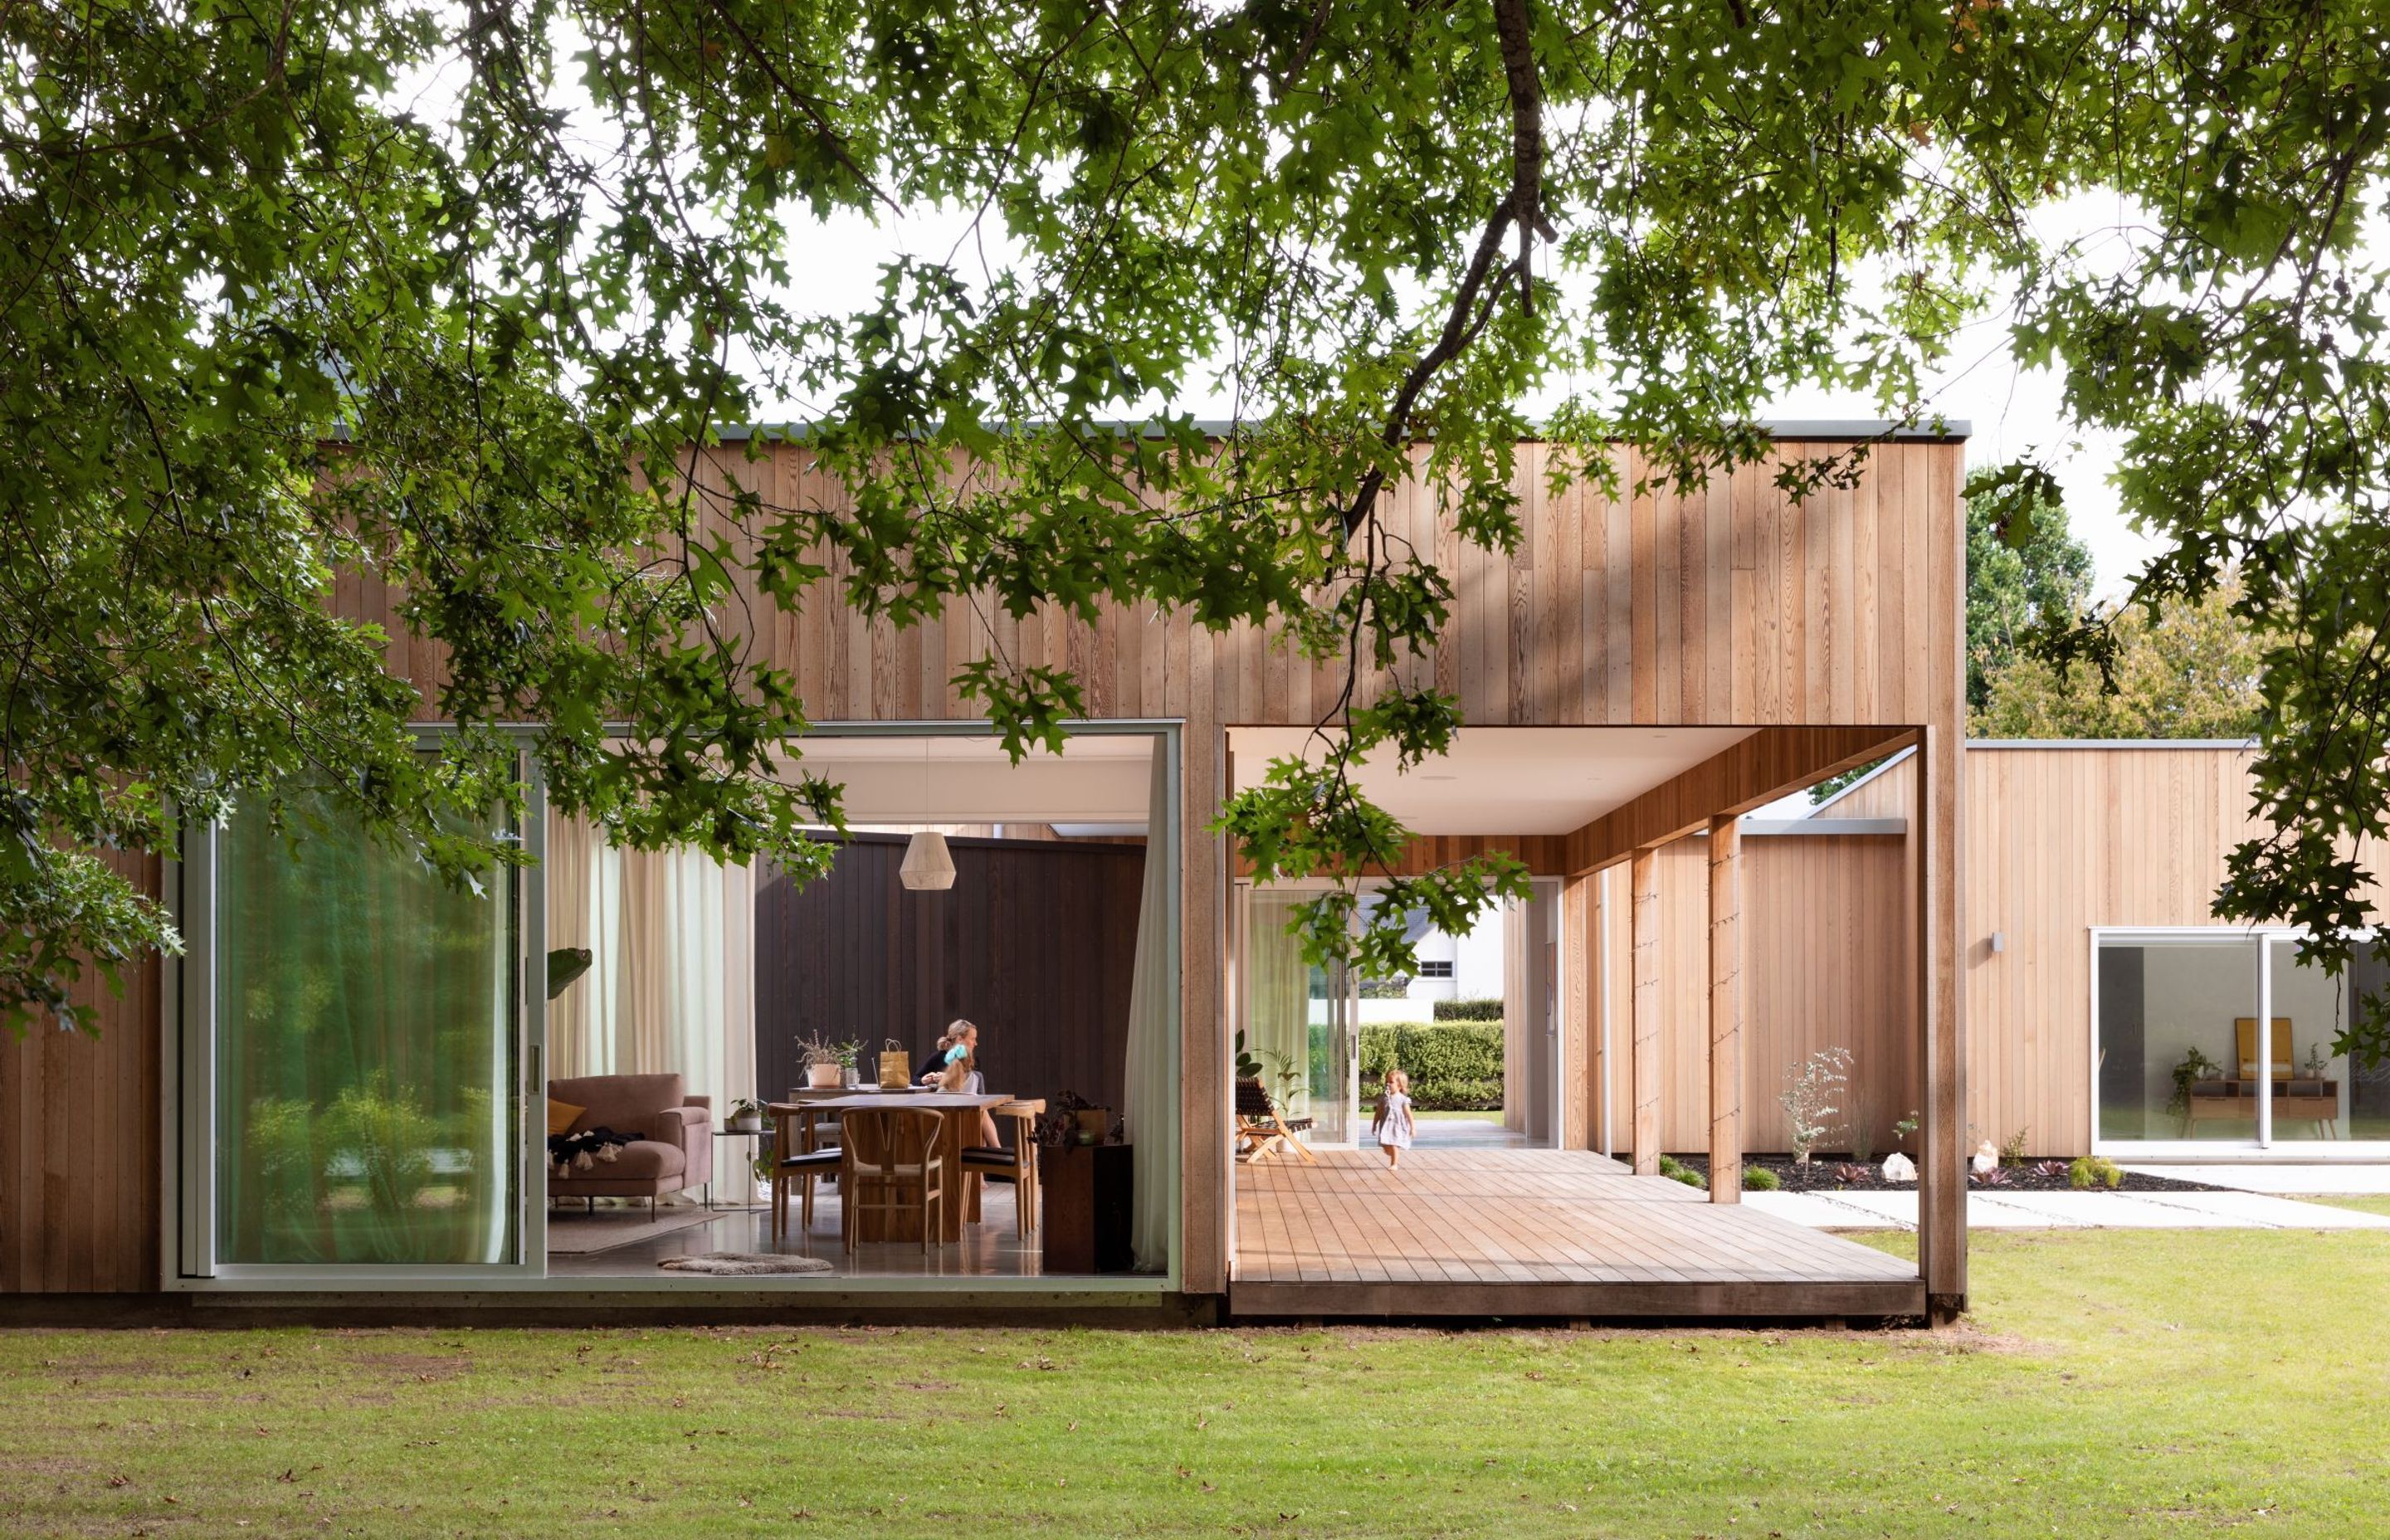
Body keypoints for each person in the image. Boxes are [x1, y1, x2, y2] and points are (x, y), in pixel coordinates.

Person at [1372, 1069, 1415, 1170]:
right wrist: (1374, 1124)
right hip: (1386, 1126)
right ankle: (1391, 1151)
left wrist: (1412, 1128)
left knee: (1394, 1144)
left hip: (1397, 1126)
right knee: (1386, 1147)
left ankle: (1394, 1164)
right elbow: (1378, 1112)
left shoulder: (1402, 1099)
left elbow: (1409, 1115)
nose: (1388, 1084)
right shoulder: (1384, 1098)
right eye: (1387, 1082)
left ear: (1399, 1085)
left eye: (1391, 1082)